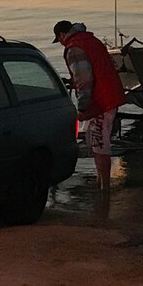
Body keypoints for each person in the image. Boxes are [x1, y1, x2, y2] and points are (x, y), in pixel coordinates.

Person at [53, 19, 126, 189]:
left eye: (60, 40)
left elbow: (84, 81)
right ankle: (100, 181)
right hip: (109, 95)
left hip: (101, 100)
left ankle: (104, 187)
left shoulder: (74, 48)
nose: (62, 43)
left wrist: (83, 108)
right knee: (95, 140)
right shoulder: (90, 40)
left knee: (99, 143)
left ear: (62, 35)